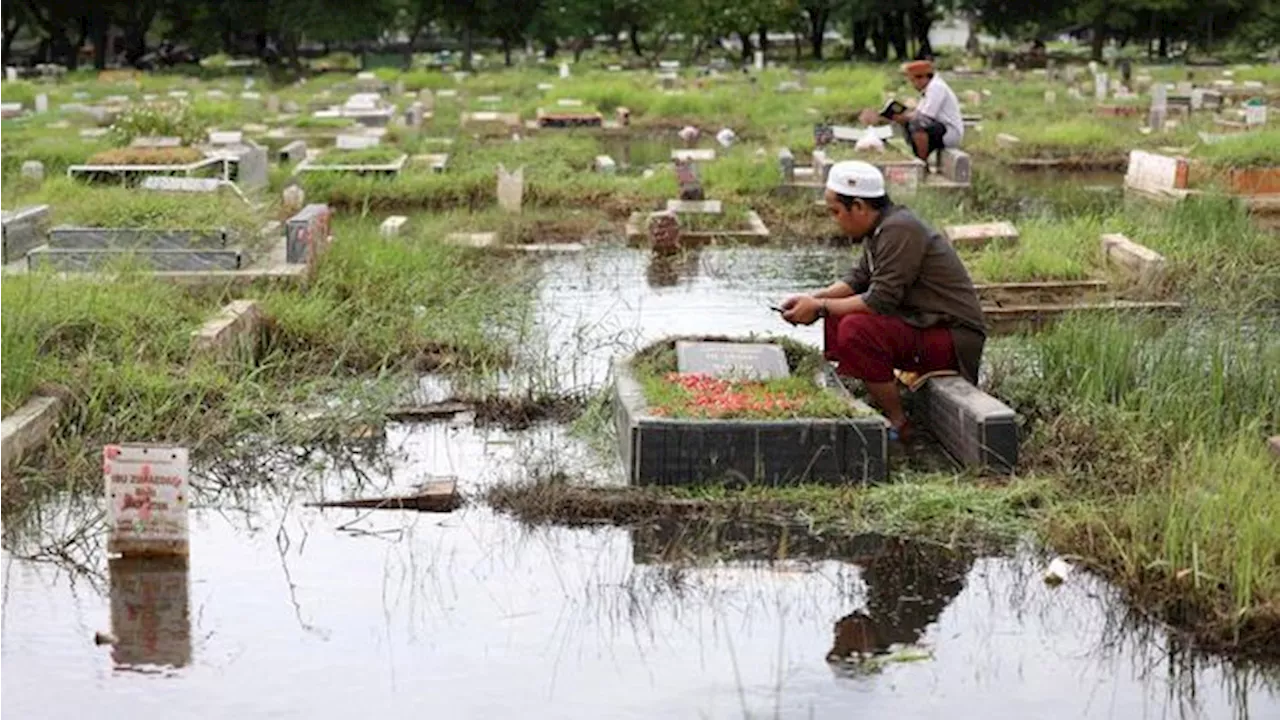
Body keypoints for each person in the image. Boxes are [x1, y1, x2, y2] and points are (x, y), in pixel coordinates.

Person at [779, 161, 987, 441]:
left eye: (836, 212)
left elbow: (880, 300)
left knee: (856, 329)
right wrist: (813, 299)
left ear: (859, 207)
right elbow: (858, 279)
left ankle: (898, 422)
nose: (835, 219)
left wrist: (819, 307)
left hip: (952, 336)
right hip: (922, 325)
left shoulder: (899, 229)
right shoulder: (880, 229)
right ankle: (855, 384)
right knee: (838, 315)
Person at [865, 60, 964, 163]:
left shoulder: (936, 87)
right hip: (938, 128)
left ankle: (922, 162)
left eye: (913, 81)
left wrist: (905, 116)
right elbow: (919, 112)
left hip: (949, 132)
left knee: (917, 123)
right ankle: (917, 156)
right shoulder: (928, 89)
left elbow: (926, 115)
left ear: (923, 78)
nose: (913, 85)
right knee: (909, 123)